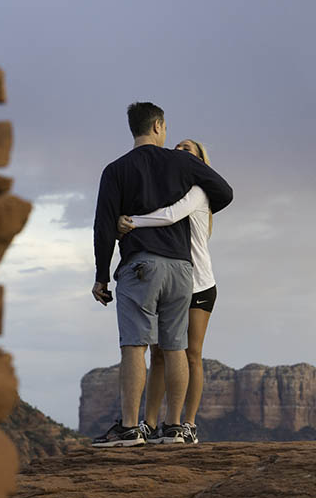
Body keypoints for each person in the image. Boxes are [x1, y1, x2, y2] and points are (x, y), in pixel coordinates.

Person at [92, 103, 233, 447]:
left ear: (136, 128)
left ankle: (129, 427)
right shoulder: (184, 164)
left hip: (141, 266)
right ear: (158, 126)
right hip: (182, 269)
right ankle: (173, 428)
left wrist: (101, 276)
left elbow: (103, 226)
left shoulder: (115, 170)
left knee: (135, 348)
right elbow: (225, 193)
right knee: (175, 348)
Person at [117, 140, 216, 444]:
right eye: (177, 147)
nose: (179, 151)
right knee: (160, 353)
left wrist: (132, 222)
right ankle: (149, 422)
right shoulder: (171, 188)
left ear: (200, 161)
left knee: (191, 354)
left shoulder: (198, 192)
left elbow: (171, 215)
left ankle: (186, 423)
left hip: (198, 283)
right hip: (175, 281)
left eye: (188, 149)